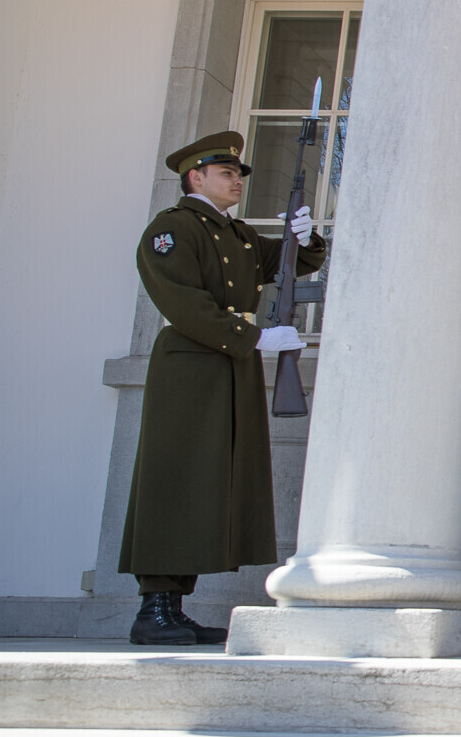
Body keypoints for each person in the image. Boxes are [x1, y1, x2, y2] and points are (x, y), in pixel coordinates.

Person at [121, 131, 326, 646]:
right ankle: (154, 607)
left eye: (238, 174)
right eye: (227, 173)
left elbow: (292, 263)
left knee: (210, 484)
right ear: (196, 177)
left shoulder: (237, 235)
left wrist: (306, 239)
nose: (237, 181)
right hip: (190, 368)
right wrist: (253, 337)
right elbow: (183, 303)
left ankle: (173, 607)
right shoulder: (172, 230)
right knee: (176, 479)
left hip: (230, 368)